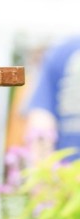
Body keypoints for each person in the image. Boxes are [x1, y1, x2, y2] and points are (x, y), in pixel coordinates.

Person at [25, 35, 80, 164]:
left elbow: (41, 119)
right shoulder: (63, 51)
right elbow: (41, 121)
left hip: (65, 176)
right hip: (67, 177)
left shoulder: (62, 50)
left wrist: (43, 173)